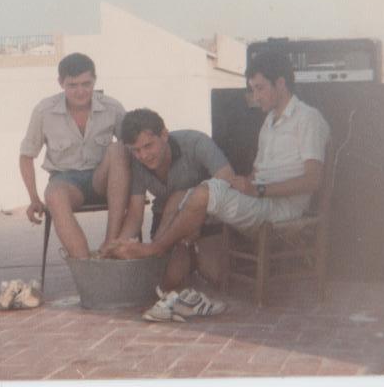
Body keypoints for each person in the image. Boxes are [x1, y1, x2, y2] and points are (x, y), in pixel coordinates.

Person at [109, 51, 330, 318]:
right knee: (181, 197)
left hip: (282, 208)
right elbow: (259, 173)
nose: (256, 96)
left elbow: (313, 180)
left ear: (281, 83)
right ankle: (161, 281)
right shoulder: (269, 123)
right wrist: (246, 183)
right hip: (260, 199)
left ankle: (154, 250)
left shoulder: (308, 119)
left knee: (206, 193)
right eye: (253, 89)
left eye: (260, 88)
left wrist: (258, 189)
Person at [105, 107, 236, 320]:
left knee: (217, 275)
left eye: (148, 146)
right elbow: (136, 213)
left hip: (206, 218)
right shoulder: (136, 162)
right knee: (169, 280)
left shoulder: (195, 142)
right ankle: (183, 258)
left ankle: (190, 258)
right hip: (166, 222)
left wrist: (195, 218)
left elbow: (227, 178)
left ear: (164, 135)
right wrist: (120, 245)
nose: (143, 155)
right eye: (136, 150)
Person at [19, 52, 130, 258]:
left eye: (86, 84)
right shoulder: (44, 111)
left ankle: (110, 244)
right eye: (72, 85)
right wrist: (34, 199)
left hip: (102, 179)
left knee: (118, 149)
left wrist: (138, 191)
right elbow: (26, 156)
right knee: (54, 195)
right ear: (61, 83)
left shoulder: (112, 107)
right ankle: (85, 265)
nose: (80, 91)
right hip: (66, 182)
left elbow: (133, 148)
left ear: (94, 80)